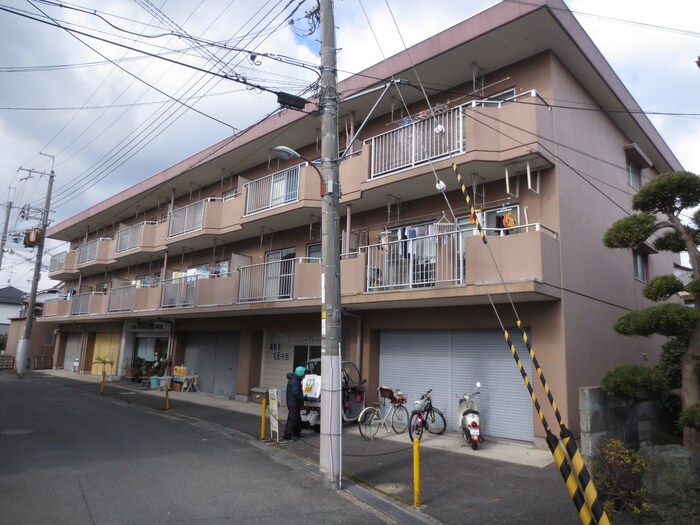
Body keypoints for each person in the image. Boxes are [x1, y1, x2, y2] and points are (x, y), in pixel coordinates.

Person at [284, 365, 306, 441]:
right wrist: (304, 398)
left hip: (294, 403)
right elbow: (296, 393)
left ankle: (296, 433)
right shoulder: (294, 381)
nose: (304, 376)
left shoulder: (295, 380)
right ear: (300, 374)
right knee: (292, 419)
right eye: (304, 374)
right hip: (294, 403)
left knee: (297, 419)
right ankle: (287, 436)